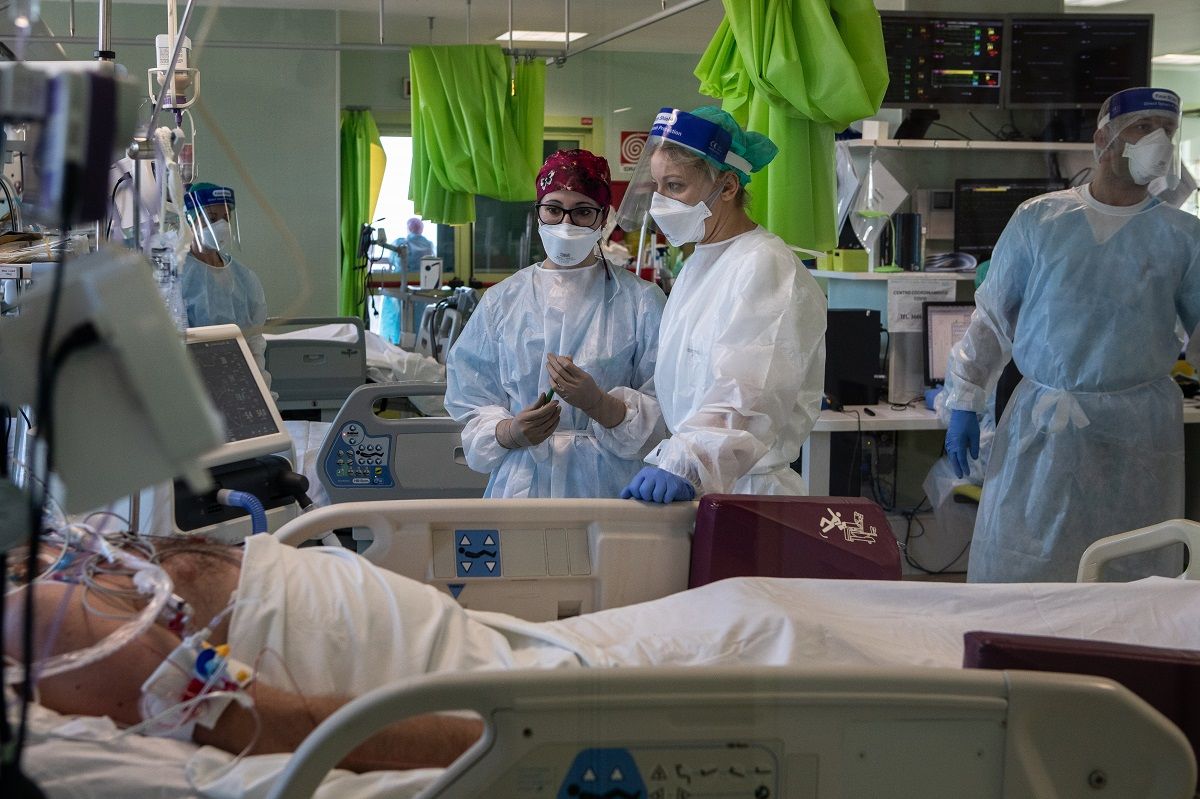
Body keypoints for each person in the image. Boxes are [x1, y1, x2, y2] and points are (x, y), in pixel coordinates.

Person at [10, 533, 1200, 775]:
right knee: (813, 639)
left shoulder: (44, 581)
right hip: (552, 681)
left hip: (551, 652)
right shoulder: (37, 624)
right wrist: (518, 741)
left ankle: (1150, 624)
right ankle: (1145, 651)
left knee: (773, 610)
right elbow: (265, 724)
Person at [943, 87, 1200, 583]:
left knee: (1130, 565)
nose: (1159, 142)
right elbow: (993, 318)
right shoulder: (1039, 220)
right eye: (1143, 128)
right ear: (1104, 140)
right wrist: (965, 398)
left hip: (1137, 432)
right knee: (1024, 563)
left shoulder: (1183, 237)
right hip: (1042, 424)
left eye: (1167, 130)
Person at [614, 107, 826, 503]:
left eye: (675, 186)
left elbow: (750, 394)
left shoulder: (765, 264)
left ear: (727, 187)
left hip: (749, 494)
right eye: (657, 186)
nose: (661, 202)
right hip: (705, 485)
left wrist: (686, 462)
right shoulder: (701, 263)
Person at [444, 149, 667, 498]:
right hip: (522, 484)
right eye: (553, 209)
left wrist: (601, 406)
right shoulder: (503, 301)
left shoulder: (640, 301)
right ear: (538, 212)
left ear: (603, 218)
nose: (566, 223)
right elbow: (471, 398)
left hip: (609, 488)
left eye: (582, 211)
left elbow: (667, 410)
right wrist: (508, 432)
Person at [182, 182, 270, 377]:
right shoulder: (178, 278)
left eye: (226, 218)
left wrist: (259, 383)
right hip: (195, 382)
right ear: (190, 221)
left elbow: (254, 341)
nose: (221, 226)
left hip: (241, 381)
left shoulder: (245, 279)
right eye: (212, 218)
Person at [380, 217, 436, 346]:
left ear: (408, 228)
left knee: (397, 321)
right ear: (421, 229)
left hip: (399, 287)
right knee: (419, 322)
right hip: (421, 289)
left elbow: (394, 259)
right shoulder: (429, 245)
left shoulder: (401, 243)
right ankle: (418, 346)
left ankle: (394, 345)